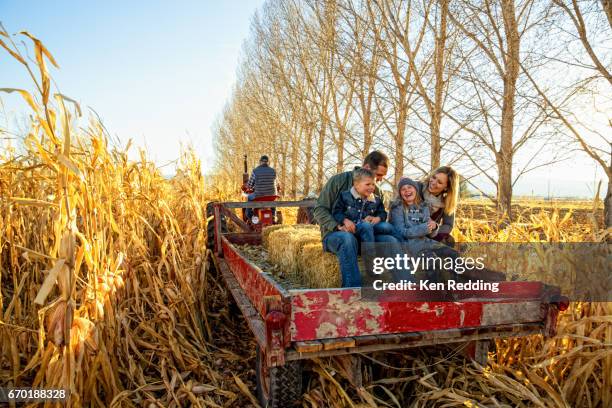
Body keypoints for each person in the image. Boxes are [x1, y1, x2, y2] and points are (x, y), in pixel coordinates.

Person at [313, 151, 399, 288]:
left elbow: (381, 214)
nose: (381, 180)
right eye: (379, 175)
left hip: (365, 238)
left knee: (391, 241)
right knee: (348, 239)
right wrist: (338, 226)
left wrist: (376, 219)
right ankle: (352, 291)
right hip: (336, 235)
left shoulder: (377, 191)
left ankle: (403, 287)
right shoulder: (338, 181)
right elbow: (319, 209)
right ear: (366, 168)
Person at [388, 177, 460, 281]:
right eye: (403, 189)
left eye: (409, 187)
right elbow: (401, 232)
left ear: (416, 190)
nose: (407, 190)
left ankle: (454, 287)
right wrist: (423, 228)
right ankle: (433, 291)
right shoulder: (398, 208)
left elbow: (430, 233)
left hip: (426, 242)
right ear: (400, 193)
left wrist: (434, 226)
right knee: (432, 259)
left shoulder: (423, 206)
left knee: (454, 254)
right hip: (410, 246)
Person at [332, 168, 388, 244]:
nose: (372, 187)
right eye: (368, 184)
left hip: (369, 232)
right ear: (356, 185)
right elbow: (336, 212)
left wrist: (378, 218)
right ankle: (369, 254)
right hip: (351, 230)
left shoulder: (376, 200)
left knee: (387, 228)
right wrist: (344, 220)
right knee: (366, 226)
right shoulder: (345, 196)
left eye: (373, 184)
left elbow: (383, 213)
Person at [417, 166, 460, 247]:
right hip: (409, 229)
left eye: (439, 182)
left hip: (429, 233)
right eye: (433, 177)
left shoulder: (446, 202)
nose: (433, 182)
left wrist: (434, 227)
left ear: (446, 187)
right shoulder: (416, 187)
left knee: (449, 240)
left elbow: (448, 225)